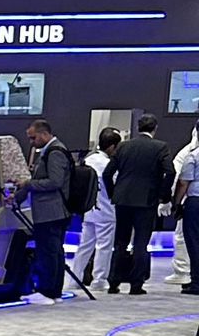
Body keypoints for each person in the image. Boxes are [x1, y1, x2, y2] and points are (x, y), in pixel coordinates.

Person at [105, 113, 176, 294]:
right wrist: (163, 196)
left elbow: (107, 173)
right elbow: (170, 172)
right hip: (146, 200)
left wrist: (114, 193)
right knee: (141, 242)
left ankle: (113, 281)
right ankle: (136, 284)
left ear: (138, 128)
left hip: (123, 199)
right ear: (155, 128)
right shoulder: (161, 147)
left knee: (120, 241)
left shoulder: (123, 146)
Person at [18, 118, 73, 301]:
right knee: (53, 252)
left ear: (44, 134)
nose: (31, 142)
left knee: (48, 253)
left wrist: (28, 184)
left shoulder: (55, 152)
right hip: (52, 211)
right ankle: (53, 292)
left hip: (51, 212)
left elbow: (55, 182)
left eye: (33, 138)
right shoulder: (50, 151)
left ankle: (48, 292)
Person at [72, 128, 120, 291]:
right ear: (112, 147)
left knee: (85, 246)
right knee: (104, 247)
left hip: (89, 210)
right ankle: (99, 280)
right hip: (106, 210)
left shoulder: (87, 160)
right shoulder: (109, 165)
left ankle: (75, 278)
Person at [169, 126, 199, 290]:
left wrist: (177, 203)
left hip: (195, 201)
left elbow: (183, 182)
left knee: (193, 242)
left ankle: (196, 281)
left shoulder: (192, 155)